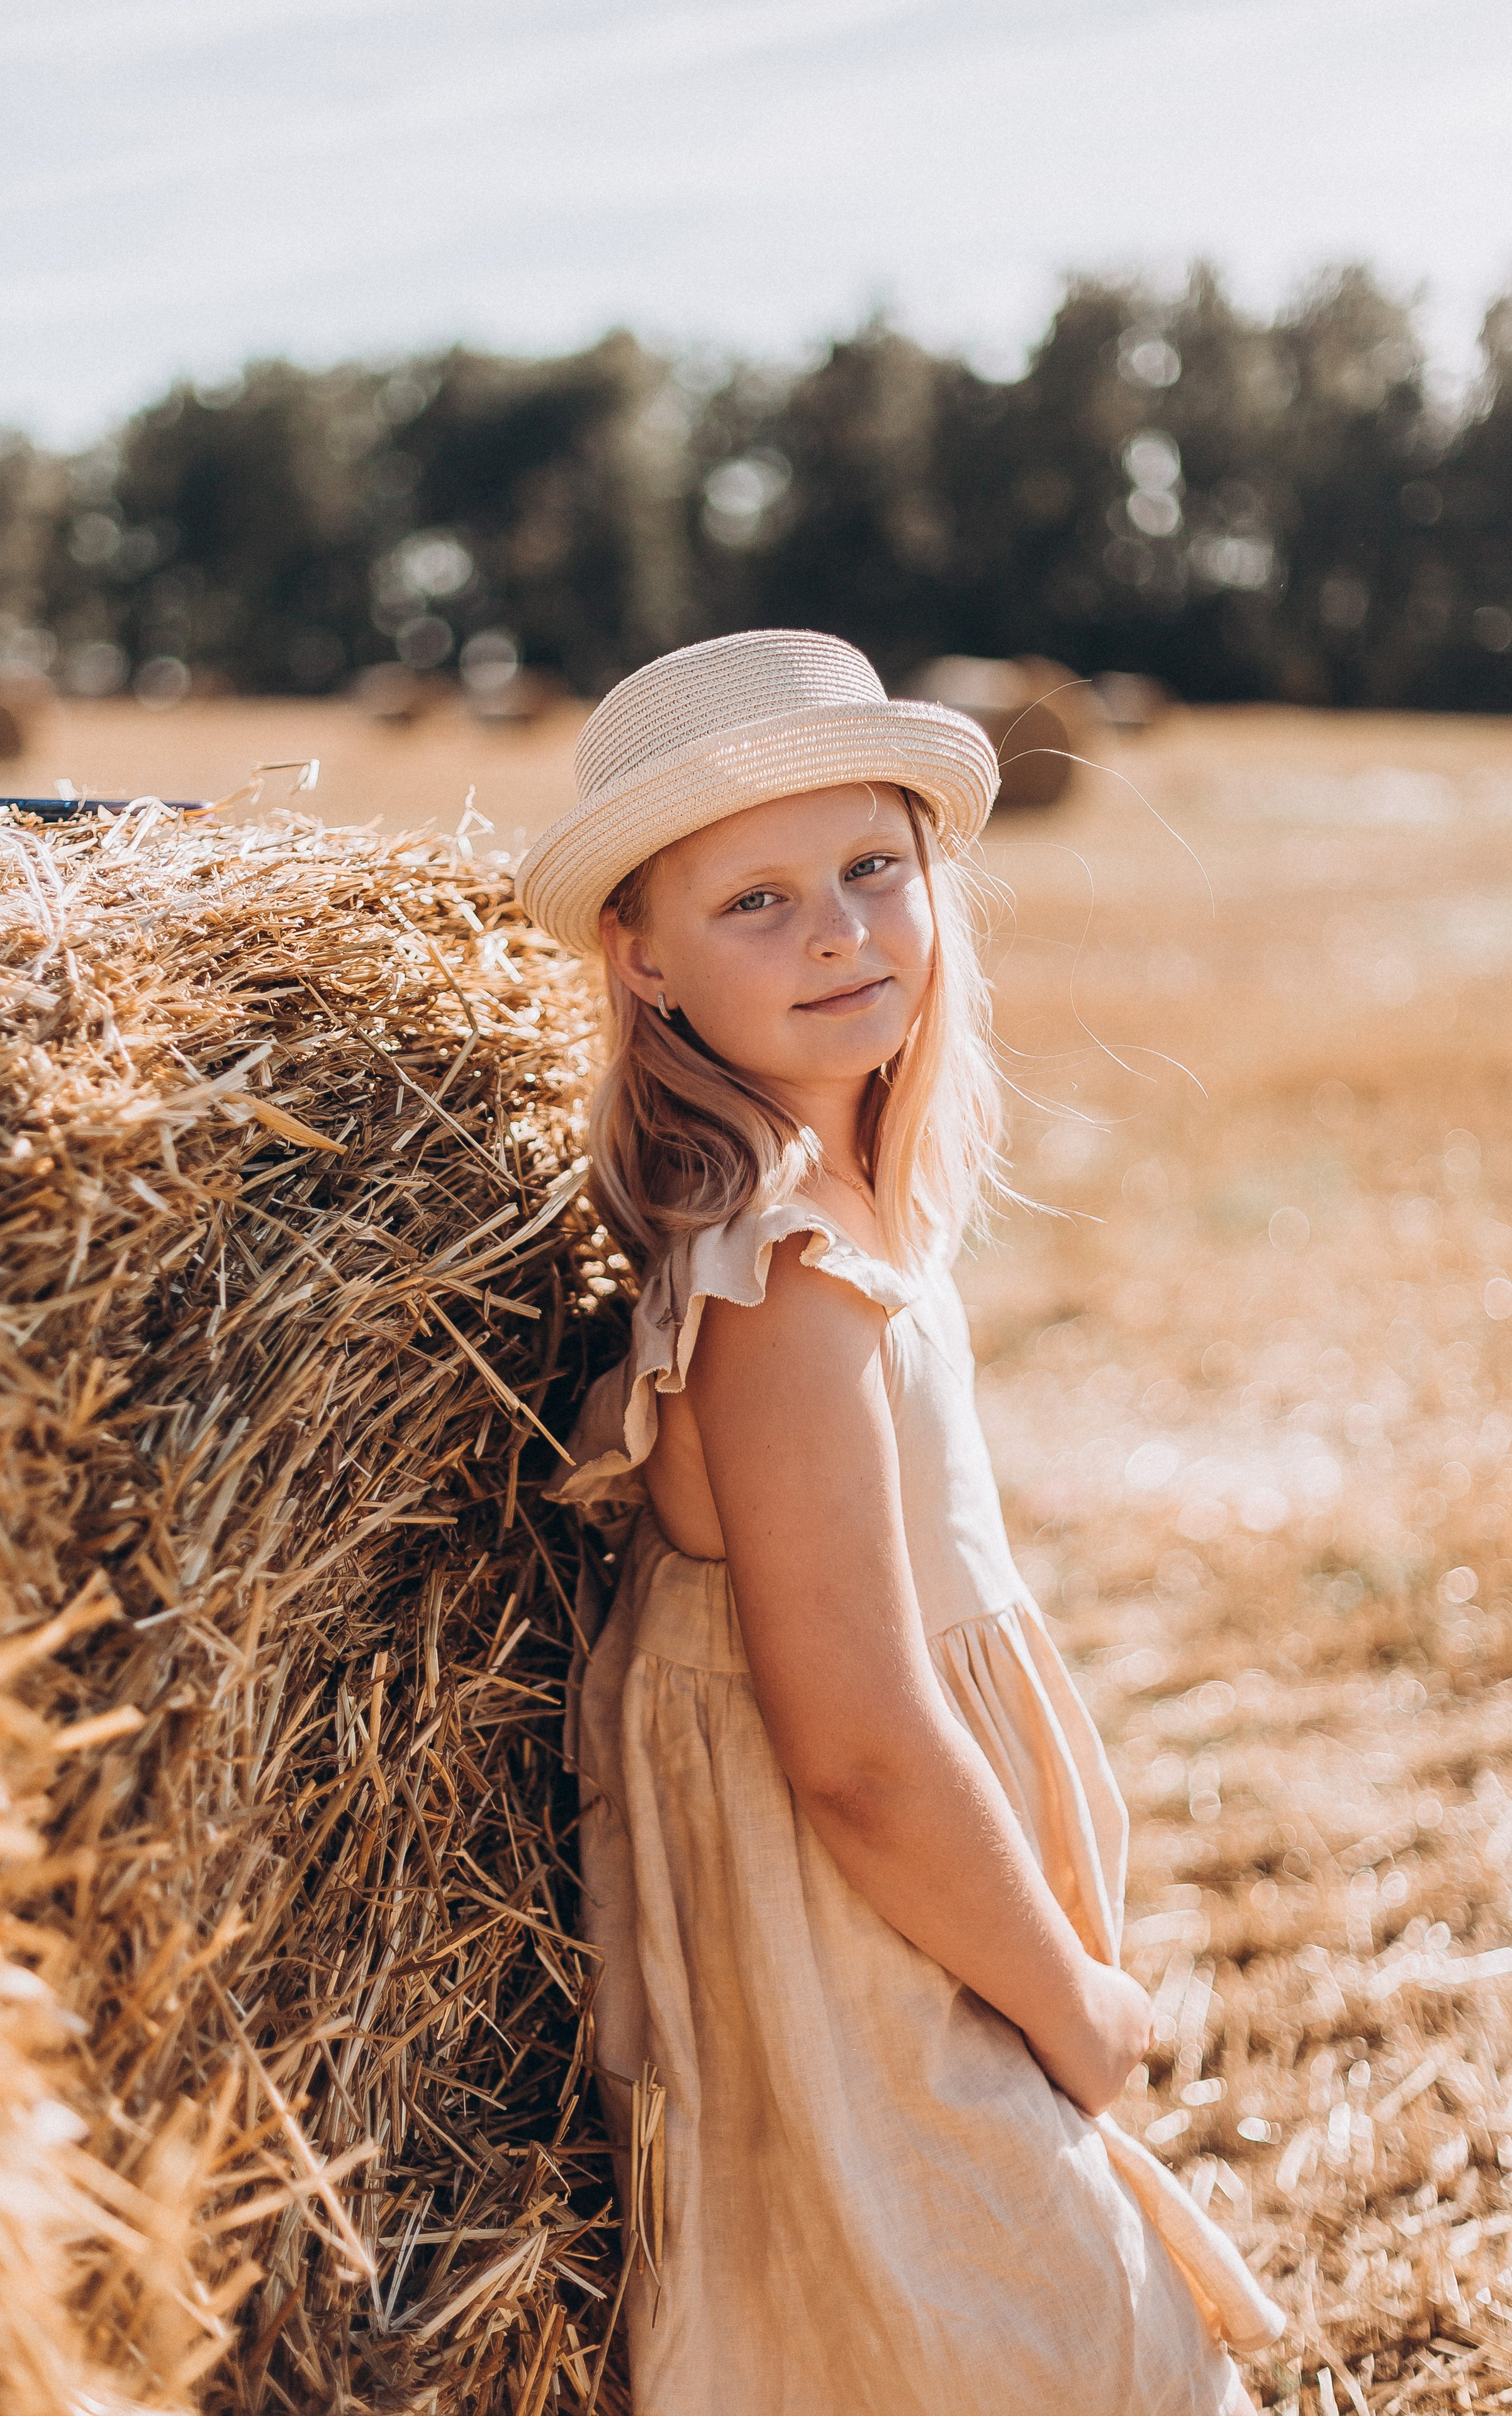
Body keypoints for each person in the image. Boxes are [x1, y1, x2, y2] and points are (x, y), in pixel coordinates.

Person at [518, 630, 1282, 2415]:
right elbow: (856, 1743)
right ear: (642, 960)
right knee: (1029, 2337)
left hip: (903, 1913)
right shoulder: (781, 1283)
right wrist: (1070, 2001)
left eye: (874, 867)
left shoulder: (829, 1220)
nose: (844, 930)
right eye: (759, 902)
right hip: (866, 1941)